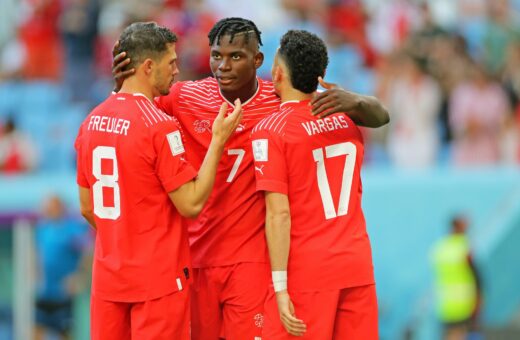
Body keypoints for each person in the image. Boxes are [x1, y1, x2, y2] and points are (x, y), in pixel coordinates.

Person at [112, 17, 389, 339]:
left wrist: (356, 100)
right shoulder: (185, 97)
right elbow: (134, 111)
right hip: (196, 254)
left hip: (252, 261)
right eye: (217, 56)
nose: (223, 66)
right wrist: (122, 83)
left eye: (236, 57)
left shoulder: (280, 100)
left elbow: (378, 116)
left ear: (259, 61)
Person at [75, 22, 242, 340]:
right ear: (148, 67)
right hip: (158, 280)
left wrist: (125, 236)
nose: (177, 71)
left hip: (109, 279)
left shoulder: (91, 121)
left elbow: (87, 207)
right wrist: (218, 140)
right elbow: (191, 204)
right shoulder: (159, 126)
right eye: (171, 63)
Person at [251, 29, 380, 339]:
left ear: (278, 73)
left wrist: (280, 288)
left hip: (307, 272)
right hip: (356, 264)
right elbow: (381, 115)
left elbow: (278, 214)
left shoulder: (271, 130)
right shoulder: (347, 117)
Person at [34, 195, 91, 340]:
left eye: (52, 205)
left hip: (63, 292)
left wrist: (79, 276)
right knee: (36, 330)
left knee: (65, 333)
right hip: (45, 292)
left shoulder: (71, 229)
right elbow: (40, 255)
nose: (48, 209)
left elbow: (88, 251)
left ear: (60, 207)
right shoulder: (43, 228)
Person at [431, 215, 482, 340]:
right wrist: (479, 299)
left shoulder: (439, 248)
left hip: (445, 307)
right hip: (465, 306)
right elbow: (477, 275)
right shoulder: (464, 247)